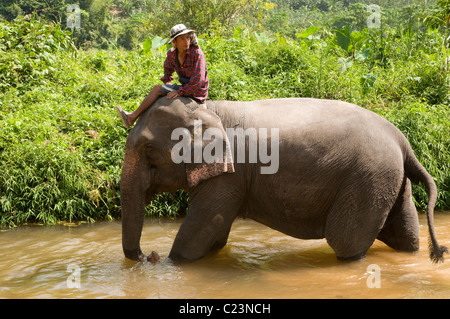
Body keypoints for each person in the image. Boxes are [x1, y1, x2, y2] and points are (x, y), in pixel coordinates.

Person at [116, 24, 209, 128]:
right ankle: (131, 117)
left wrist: (179, 92)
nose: (186, 41)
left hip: (197, 92)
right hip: (184, 87)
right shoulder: (172, 54)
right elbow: (167, 71)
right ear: (175, 42)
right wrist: (167, 85)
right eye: (182, 38)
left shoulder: (197, 53)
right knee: (157, 89)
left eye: (188, 37)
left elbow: (198, 81)